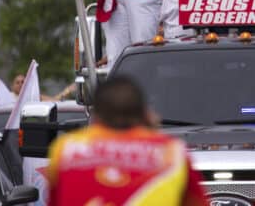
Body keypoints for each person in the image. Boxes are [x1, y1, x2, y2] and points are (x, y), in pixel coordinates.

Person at [45, 76, 208, 205]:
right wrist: (153, 132)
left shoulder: (65, 149)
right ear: (145, 114)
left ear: (96, 116)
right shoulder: (172, 152)